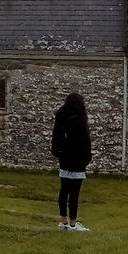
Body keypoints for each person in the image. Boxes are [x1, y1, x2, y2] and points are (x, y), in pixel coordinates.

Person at [51, 93, 92, 231]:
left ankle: (64, 221)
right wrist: (86, 157)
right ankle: (73, 223)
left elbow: (56, 133)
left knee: (64, 190)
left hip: (65, 156)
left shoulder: (62, 113)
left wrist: (58, 150)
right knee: (74, 192)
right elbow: (84, 140)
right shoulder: (78, 118)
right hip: (77, 157)